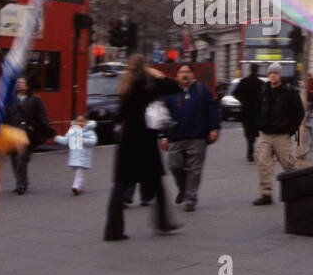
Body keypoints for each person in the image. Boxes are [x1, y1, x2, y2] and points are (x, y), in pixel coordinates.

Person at [104, 55, 180, 240]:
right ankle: (163, 222)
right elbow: (174, 87)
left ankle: (113, 230)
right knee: (157, 184)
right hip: (146, 142)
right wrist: (159, 74)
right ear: (145, 66)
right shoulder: (149, 83)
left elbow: (119, 114)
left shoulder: (125, 84)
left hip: (128, 142)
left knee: (120, 186)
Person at [160, 63, 220, 211]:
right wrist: (163, 135)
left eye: (187, 72)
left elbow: (213, 109)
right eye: (181, 72)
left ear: (193, 75)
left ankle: (190, 199)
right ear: (177, 76)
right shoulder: (170, 92)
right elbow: (163, 115)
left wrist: (214, 128)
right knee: (174, 166)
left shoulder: (202, 90)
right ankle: (183, 189)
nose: (184, 74)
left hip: (197, 136)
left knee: (195, 170)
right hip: (176, 136)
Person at [251, 67, 305, 205]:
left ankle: (296, 191)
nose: (273, 76)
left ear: (280, 75)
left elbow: (299, 112)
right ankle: (266, 194)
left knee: (288, 164)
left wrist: (290, 130)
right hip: (265, 134)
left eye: (275, 73)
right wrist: (259, 124)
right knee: (263, 163)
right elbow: (255, 109)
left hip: (282, 135)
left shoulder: (289, 91)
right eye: (270, 73)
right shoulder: (263, 91)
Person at [5, 76, 51, 195]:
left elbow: (42, 116)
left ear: (27, 86)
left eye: (22, 83)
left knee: (22, 158)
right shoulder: (10, 99)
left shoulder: (35, 99)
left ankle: (21, 184)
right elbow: (4, 115)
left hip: (27, 134)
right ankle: (21, 182)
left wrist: (49, 130)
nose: (19, 84)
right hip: (12, 133)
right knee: (14, 159)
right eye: (17, 83)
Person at [54, 115, 98, 195]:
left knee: (79, 171)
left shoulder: (89, 131)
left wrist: (82, 140)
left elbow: (93, 141)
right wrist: (55, 137)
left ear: (86, 122)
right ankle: (81, 185)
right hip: (74, 155)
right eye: (78, 121)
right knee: (78, 171)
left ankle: (76, 186)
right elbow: (66, 140)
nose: (80, 123)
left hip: (83, 156)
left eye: (82, 121)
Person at [236, 63, 265, 161]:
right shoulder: (260, 83)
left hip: (246, 110)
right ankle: (255, 150)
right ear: (257, 70)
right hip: (257, 111)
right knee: (256, 131)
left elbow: (236, 93)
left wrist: (243, 100)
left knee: (249, 132)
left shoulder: (244, 81)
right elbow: (264, 96)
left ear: (250, 69)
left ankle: (250, 150)